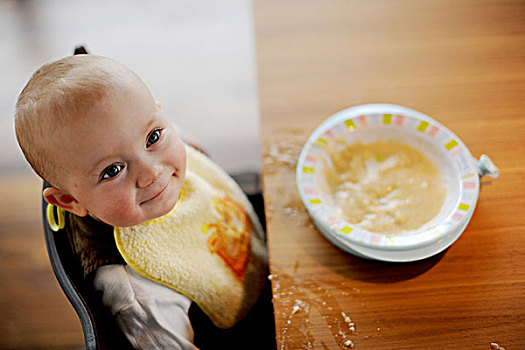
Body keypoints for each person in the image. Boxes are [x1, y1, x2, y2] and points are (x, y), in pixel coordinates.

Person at [14, 54, 275, 349]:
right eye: (112, 171)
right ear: (69, 200)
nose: (152, 172)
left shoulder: (132, 132)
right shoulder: (140, 296)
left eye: (153, 137)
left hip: (271, 260)